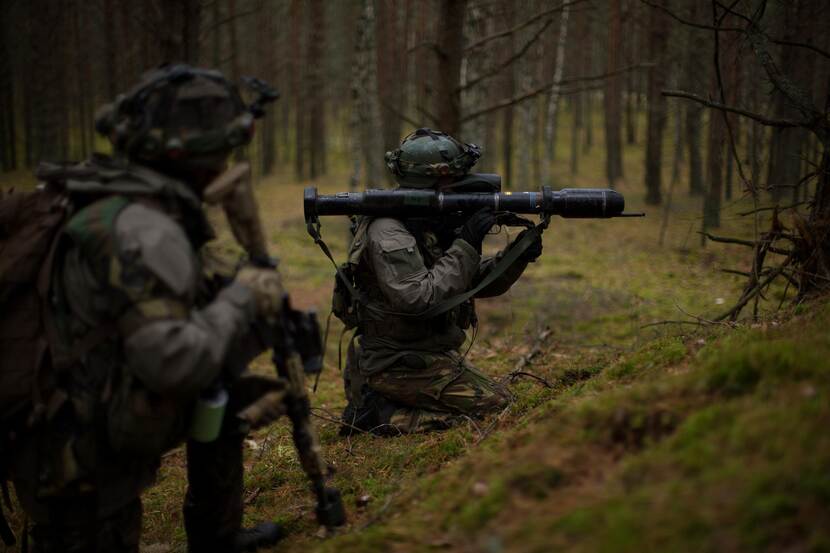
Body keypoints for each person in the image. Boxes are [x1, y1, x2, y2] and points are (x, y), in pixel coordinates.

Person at [6, 64, 287, 552]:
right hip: (75, 459)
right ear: (197, 157)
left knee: (223, 397)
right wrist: (243, 298)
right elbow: (175, 363)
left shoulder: (108, 194)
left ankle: (217, 536)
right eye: (224, 149)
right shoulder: (146, 229)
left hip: (69, 421)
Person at [340, 128, 543, 435]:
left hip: (424, 355)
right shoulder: (388, 231)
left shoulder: (428, 222)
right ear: (434, 180)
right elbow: (418, 297)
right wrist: (467, 243)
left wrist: (517, 255)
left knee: (502, 402)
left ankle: (390, 403)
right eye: (455, 179)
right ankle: (375, 413)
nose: (462, 185)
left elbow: (466, 284)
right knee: (498, 407)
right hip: (391, 364)